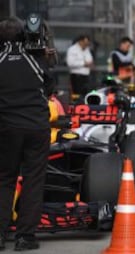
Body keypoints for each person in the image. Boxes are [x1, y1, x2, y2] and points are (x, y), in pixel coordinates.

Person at [0, 17, 53, 251]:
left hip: (6, 128)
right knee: (33, 181)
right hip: (36, 127)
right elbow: (50, 88)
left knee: (3, 180)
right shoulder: (37, 58)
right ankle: (25, 238)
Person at [66, 34, 93, 101]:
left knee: (86, 94)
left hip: (86, 75)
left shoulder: (87, 49)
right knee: (77, 95)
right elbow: (70, 63)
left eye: (87, 43)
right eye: (85, 43)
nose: (86, 45)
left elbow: (90, 59)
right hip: (77, 76)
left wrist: (89, 63)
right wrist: (84, 63)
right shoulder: (72, 50)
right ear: (80, 41)